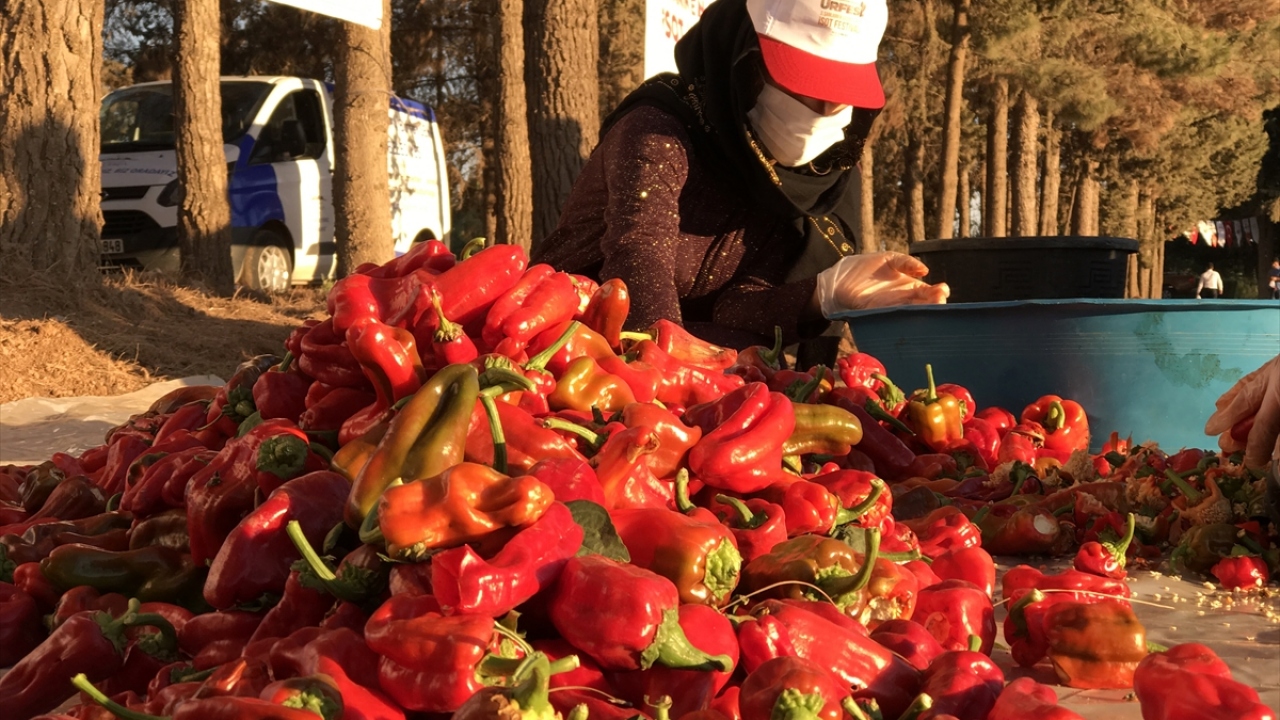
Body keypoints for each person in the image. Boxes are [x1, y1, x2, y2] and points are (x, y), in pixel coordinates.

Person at [532, 0, 948, 348]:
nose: (818, 113)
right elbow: (638, 257)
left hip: (691, 370)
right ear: (746, 59)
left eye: (838, 97)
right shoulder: (660, 128)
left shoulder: (809, 181)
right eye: (802, 84)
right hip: (564, 342)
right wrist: (683, 369)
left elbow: (733, 309)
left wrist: (822, 293)